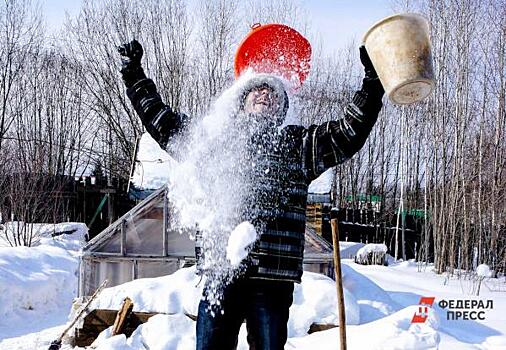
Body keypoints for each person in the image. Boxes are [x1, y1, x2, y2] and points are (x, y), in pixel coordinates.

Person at [118, 39, 384, 350]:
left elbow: (348, 132)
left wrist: (373, 81)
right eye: (256, 89)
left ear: (281, 108)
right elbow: (162, 123)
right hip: (221, 271)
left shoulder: (297, 145)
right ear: (240, 101)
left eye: (273, 92)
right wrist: (134, 74)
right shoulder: (213, 143)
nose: (264, 93)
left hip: (273, 276)